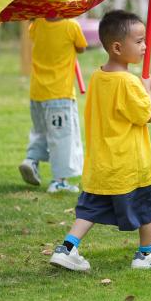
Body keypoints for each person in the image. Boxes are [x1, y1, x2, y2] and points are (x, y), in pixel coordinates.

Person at [49, 10, 151, 272]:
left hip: (102, 163)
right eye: (139, 41)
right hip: (130, 164)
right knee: (148, 205)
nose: (145, 46)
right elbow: (148, 115)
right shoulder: (128, 82)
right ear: (117, 47)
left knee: (90, 209)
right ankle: (146, 254)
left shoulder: (98, 76)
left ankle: (67, 248)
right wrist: (147, 90)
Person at [18, 17, 87, 193]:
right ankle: (59, 181)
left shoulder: (37, 24)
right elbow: (81, 47)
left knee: (40, 131)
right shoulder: (71, 26)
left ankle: (31, 160)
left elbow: (36, 36)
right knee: (62, 138)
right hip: (59, 94)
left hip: (37, 93)